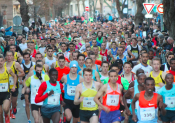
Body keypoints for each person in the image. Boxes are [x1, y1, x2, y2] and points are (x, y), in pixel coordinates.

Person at [5, 51, 25, 119]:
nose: (9, 57)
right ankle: (9, 114)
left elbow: (23, 73)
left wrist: (15, 75)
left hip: (14, 85)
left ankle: (14, 107)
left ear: (13, 57)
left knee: (13, 102)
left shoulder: (15, 64)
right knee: (8, 101)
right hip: (6, 87)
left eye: (10, 55)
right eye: (7, 55)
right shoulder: (3, 64)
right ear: (6, 57)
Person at [0, 54, 17, 123]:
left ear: (4, 61)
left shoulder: (8, 69)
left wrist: (14, 86)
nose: (0, 63)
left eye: (1, 61)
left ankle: (7, 114)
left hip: (6, 93)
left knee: (5, 109)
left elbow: (14, 76)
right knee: (0, 113)